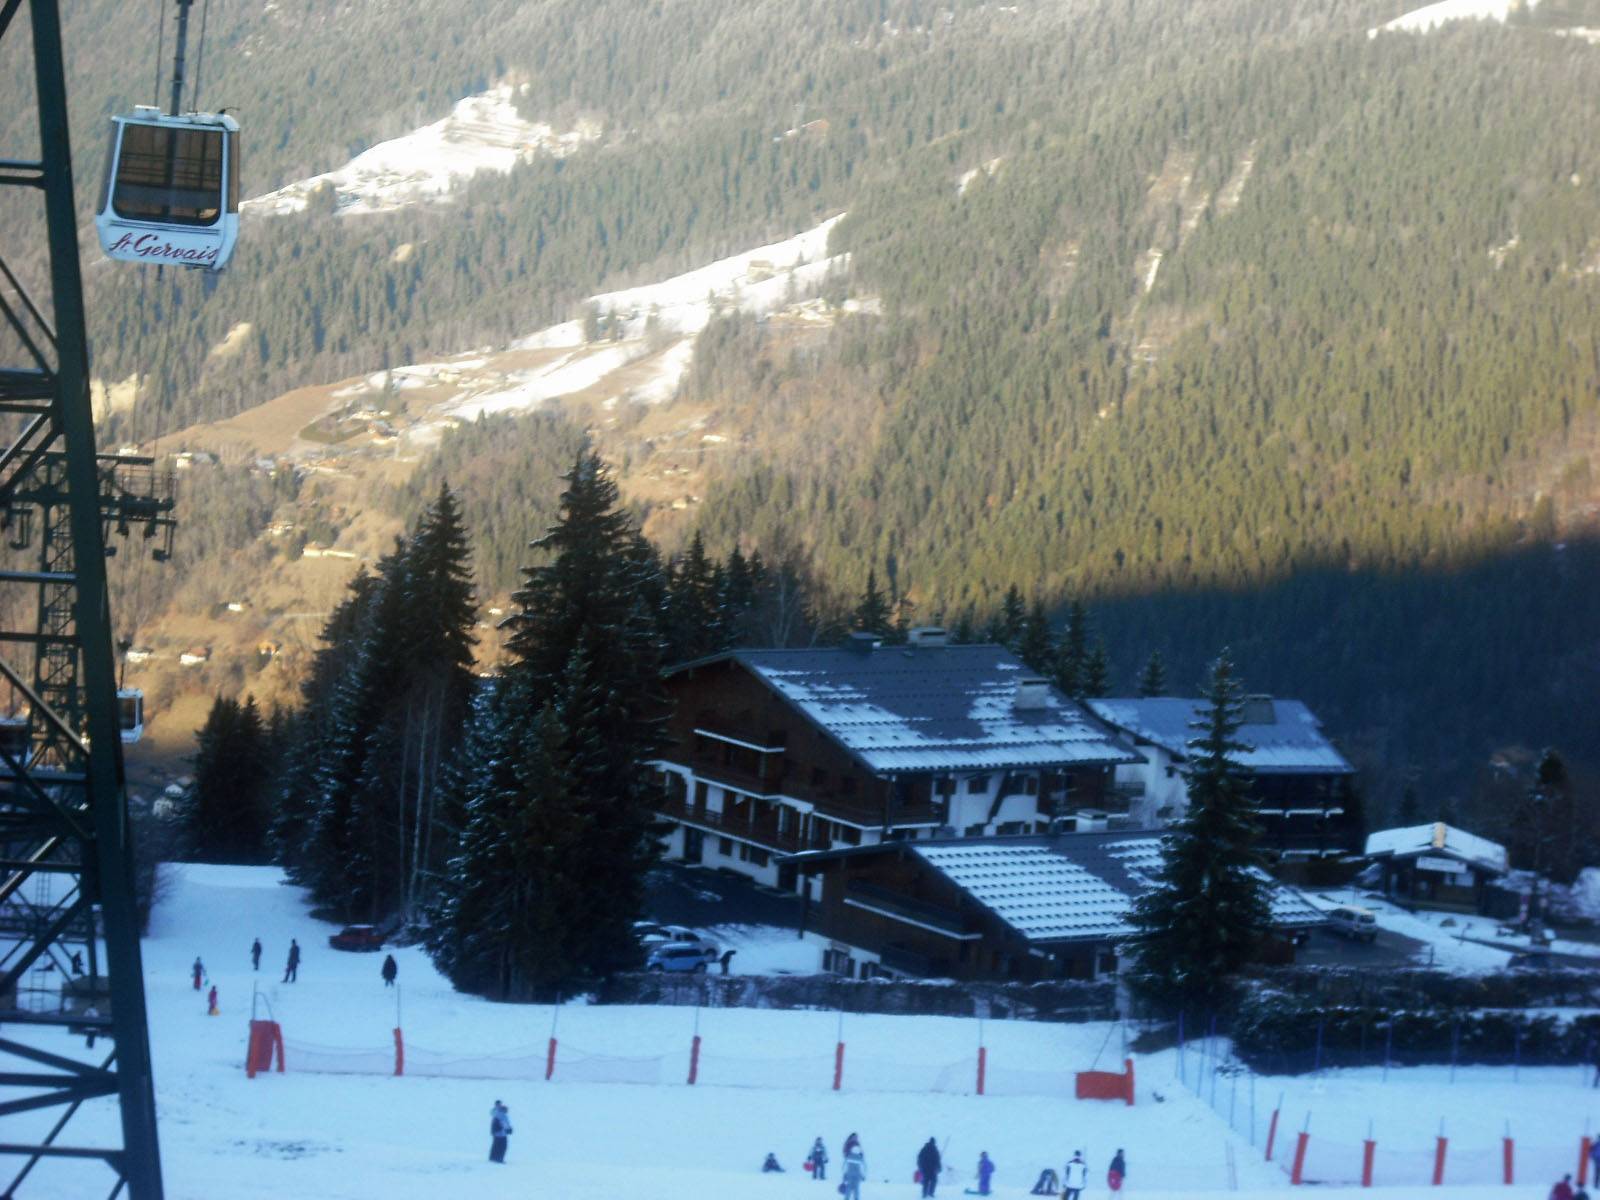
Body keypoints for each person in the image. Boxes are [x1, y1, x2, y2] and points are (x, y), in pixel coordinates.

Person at [489, 1099, 512, 1164]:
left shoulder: (495, 1113)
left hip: (496, 1133)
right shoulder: (502, 1115)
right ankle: (499, 1158)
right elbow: (505, 1124)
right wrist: (509, 1129)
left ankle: (493, 1157)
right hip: (501, 1133)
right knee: (502, 1146)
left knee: (495, 1145)